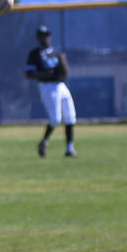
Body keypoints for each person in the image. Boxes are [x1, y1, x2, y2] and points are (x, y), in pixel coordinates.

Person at [25, 24, 78, 158]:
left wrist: (63, 66)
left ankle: (69, 149)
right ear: (38, 38)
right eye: (42, 36)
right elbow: (29, 74)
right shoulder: (35, 54)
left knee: (70, 117)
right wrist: (43, 74)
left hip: (60, 85)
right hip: (47, 86)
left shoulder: (57, 53)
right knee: (55, 119)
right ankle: (44, 142)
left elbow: (64, 73)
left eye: (47, 35)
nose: (45, 38)